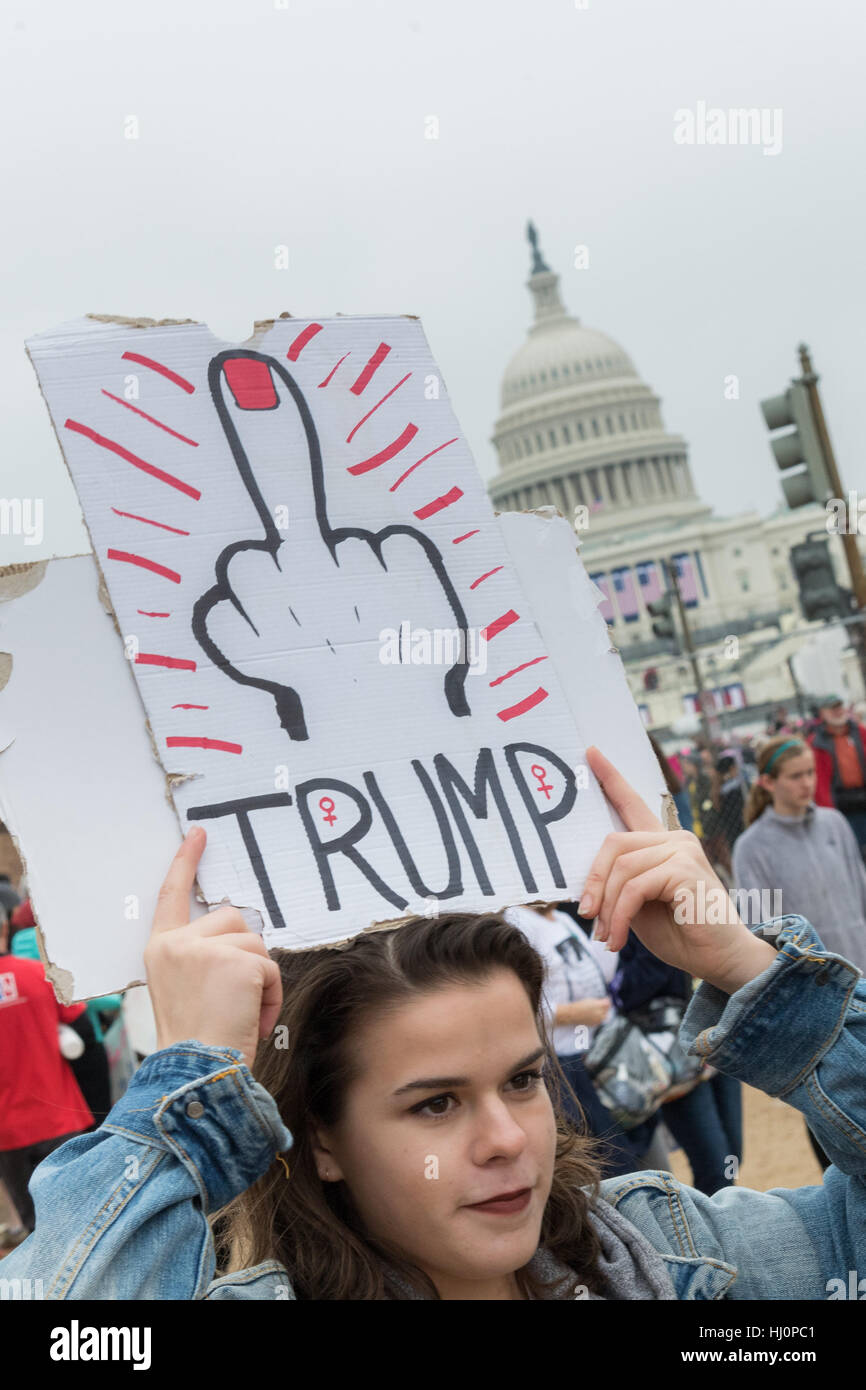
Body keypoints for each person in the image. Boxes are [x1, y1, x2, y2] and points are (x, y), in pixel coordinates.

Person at [4, 745, 866, 1299]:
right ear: (324, 1140)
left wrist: (754, 973)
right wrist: (186, 1099)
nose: (506, 1140)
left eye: (523, 1081)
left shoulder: (668, 1257)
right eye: (435, 1105)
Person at [504, 902, 647, 1179]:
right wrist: (570, 1014)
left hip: (590, 1053)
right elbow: (515, 1003)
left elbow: (598, 970)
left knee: (623, 1149)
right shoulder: (516, 920)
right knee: (601, 1161)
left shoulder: (560, 919)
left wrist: (609, 922)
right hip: (557, 1062)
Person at [733, 735, 866, 974]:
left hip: (860, 967)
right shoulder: (751, 847)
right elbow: (761, 929)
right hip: (810, 982)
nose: (807, 783)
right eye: (795, 776)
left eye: (810, 772)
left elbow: (861, 890)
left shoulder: (835, 823)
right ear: (768, 782)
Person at [0, 904, 93, 1234]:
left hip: (7, 1131)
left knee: (37, 1233)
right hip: (60, 1117)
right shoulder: (39, 974)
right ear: (4, 930)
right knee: (81, 1222)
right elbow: (83, 1031)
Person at [808, 695, 866, 857]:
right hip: (841, 805)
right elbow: (819, 782)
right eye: (832, 709)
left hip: (863, 798)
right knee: (852, 853)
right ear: (822, 713)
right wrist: (828, 812)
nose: (837, 712)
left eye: (839, 707)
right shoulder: (816, 742)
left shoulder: (859, 732)